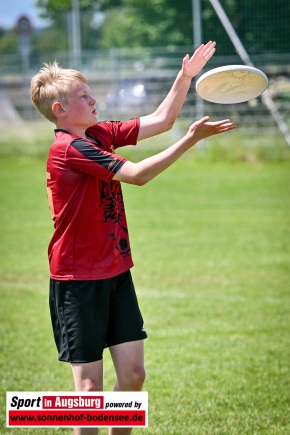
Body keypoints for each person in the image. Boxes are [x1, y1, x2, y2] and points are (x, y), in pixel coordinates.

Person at [30, 41, 235, 435]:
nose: (94, 99)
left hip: (115, 271)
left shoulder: (99, 133)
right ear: (60, 110)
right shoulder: (68, 148)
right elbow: (138, 174)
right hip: (78, 281)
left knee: (134, 375)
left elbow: (161, 120)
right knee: (88, 392)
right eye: (83, 96)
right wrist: (191, 141)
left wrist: (185, 76)